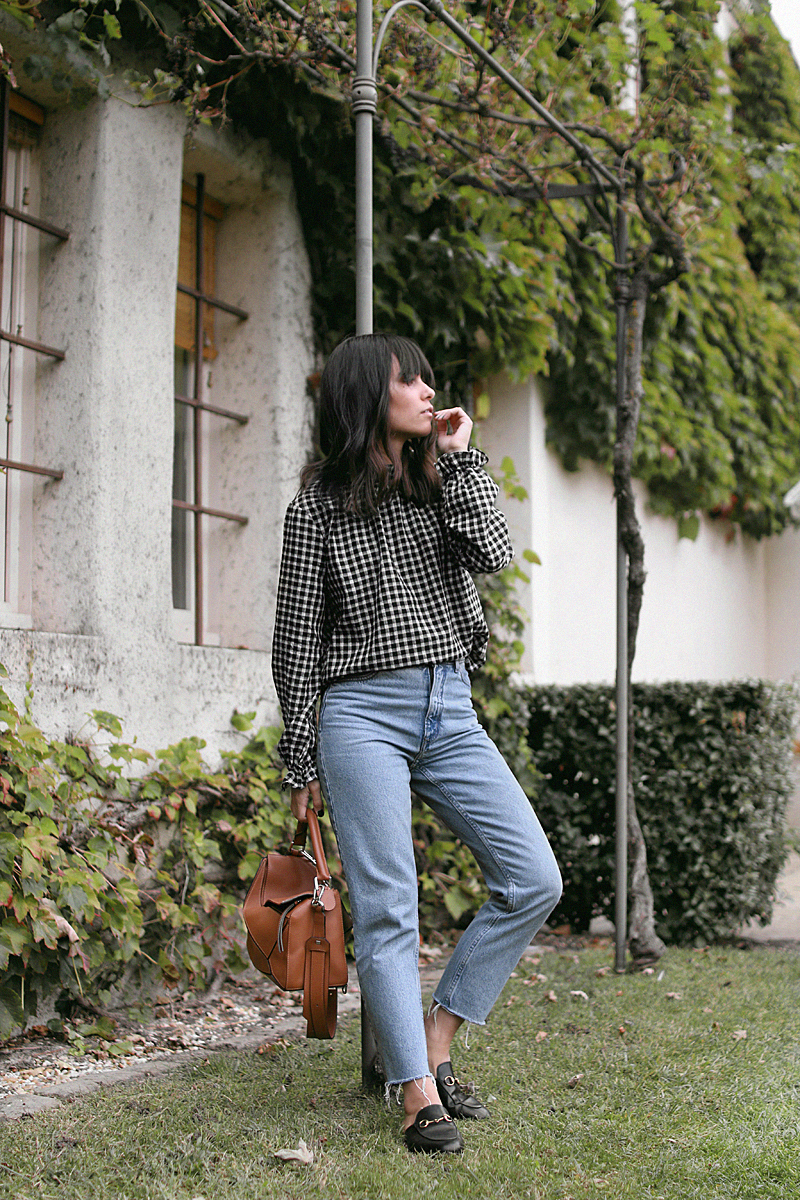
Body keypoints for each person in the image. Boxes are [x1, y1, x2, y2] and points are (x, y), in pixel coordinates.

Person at [271, 333, 562, 1154]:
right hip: (360, 714)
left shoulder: (442, 482)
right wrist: (301, 757)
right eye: (411, 379)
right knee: (389, 906)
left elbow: (493, 553)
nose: (430, 391)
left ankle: (434, 1040)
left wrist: (461, 460)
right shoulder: (316, 510)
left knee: (533, 877)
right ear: (369, 393)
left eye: (430, 379)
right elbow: (295, 642)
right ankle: (417, 1095)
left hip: (449, 706)